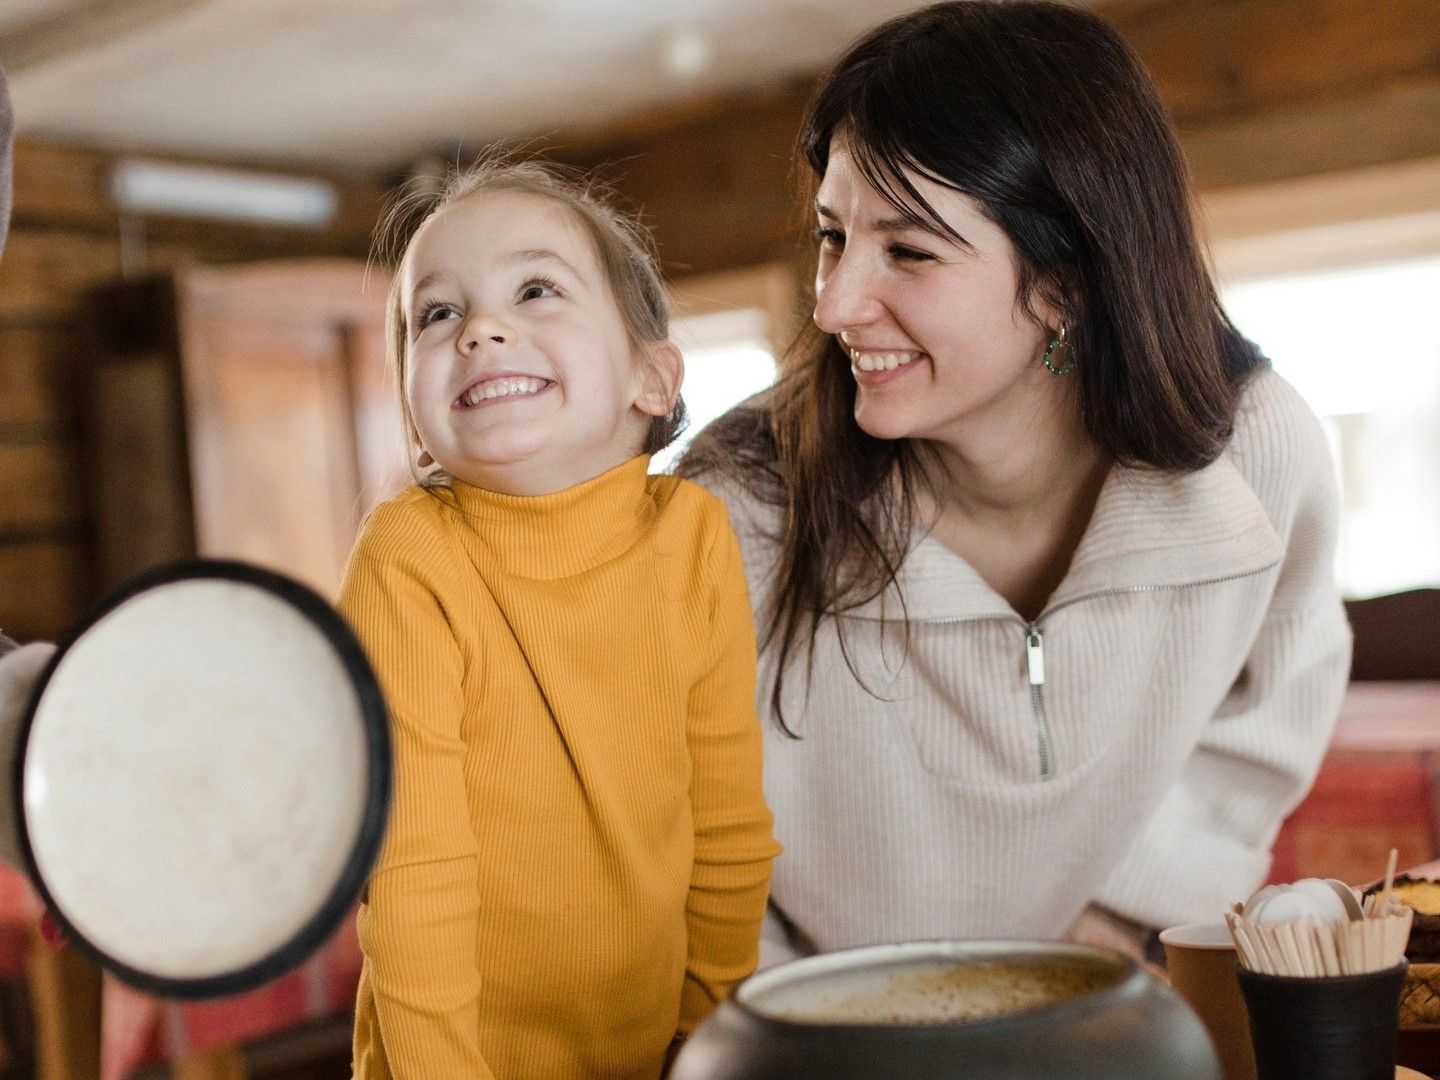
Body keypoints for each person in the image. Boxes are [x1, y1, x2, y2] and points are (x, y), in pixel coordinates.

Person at [680, 0, 1350, 966]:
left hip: (1114, 999)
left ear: (1067, 284)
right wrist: (802, 1011)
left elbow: (1272, 712)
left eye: (908, 251)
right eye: (832, 237)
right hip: (814, 1024)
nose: (834, 305)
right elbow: (683, 824)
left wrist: (1120, 923)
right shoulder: (735, 502)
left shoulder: (1254, 452)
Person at [340, 159, 778, 1079]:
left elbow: (727, 830)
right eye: (438, 313)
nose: (480, 330)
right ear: (416, 425)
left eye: (535, 290)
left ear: (651, 377)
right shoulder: (408, 557)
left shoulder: (695, 538)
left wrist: (707, 1045)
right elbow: (411, 881)